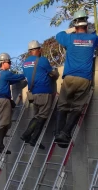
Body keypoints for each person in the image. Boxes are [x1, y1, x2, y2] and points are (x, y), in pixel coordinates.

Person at [55, 10, 97, 147]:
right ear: (86, 23)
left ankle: (58, 132)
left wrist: (73, 28)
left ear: (75, 23)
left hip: (69, 78)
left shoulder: (69, 39)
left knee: (63, 105)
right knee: (77, 107)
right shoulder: (93, 38)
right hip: (84, 78)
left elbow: (59, 35)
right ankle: (65, 133)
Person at [21, 40, 59, 149]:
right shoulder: (42, 60)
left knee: (37, 116)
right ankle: (27, 134)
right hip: (44, 92)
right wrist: (55, 73)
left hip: (33, 94)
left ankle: (34, 139)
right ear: (39, 50)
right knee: (41, 117)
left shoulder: (25, 63)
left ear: (29, 51)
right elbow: (53, 74)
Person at [0, 53, 26, 154]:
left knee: (7, 123)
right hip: (3, 100)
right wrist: (28, 73)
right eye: (9, 62)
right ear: (3, 63)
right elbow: (18, 77)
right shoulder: (6, 73)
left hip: (0, 100)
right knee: (3, 123)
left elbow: (8, 83)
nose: (10, 64)